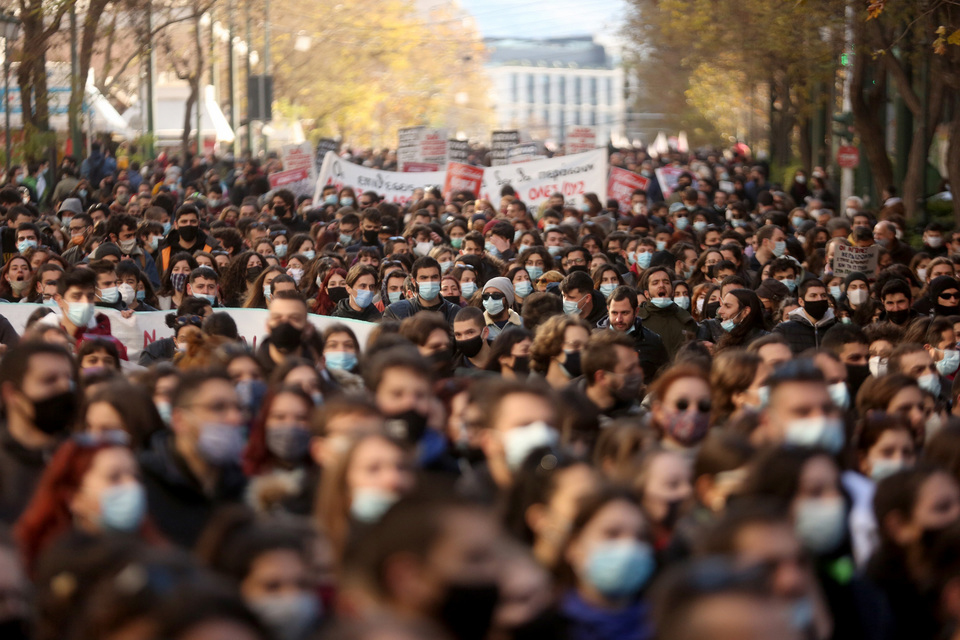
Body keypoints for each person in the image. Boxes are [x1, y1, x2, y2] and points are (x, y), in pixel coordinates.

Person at [139, 368, 247, 547]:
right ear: (179, 420)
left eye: (238, 408)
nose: (235, 418)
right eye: (218, 407)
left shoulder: (244, 486)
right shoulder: (142, 483)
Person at [0, 342, 79, 523]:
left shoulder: (83, 456)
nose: (65, 388)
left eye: (69, 379)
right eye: (49, 380)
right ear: (11, 393)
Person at [597, 286, 669, 382]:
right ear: (608, 310)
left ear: (636, 312)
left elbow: (664, 379)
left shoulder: (653, 341)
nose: (619, 319)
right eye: (614, 313)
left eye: (624, 313)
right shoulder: (594, 341)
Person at [636, 265, 698, 356]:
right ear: (646, 294)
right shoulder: (638, 320)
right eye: (655, 283)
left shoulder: (686, 319)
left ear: (672, 291)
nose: (661, 285)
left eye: (666, 282)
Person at [773, 279, 838, 353]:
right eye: (813, 296)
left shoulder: (838, 329)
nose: (819, 299)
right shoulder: (784, 330)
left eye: (823, 295)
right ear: (801, 301)